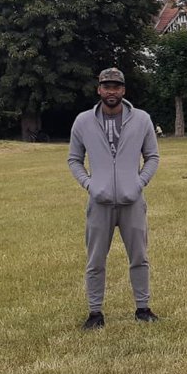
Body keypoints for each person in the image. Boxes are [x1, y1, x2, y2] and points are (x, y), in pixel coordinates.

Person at [68, 68, 160, 329]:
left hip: (132, 202)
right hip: (99, 203)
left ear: (123, 90)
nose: (111, 91)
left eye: (116, 87)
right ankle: (95, 313)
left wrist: (139, 182)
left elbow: (152, 156)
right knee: (95, 260)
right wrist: (90, 184)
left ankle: (143, 308)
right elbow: (74, 159)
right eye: (106, 86)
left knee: (139, 257)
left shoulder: (141, 120)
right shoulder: (83, 121)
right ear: (98, 89)